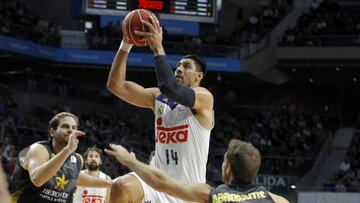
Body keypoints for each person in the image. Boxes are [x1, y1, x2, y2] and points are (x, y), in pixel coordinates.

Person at [106, 15, 214, 203]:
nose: (179, 69)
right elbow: (116, 85)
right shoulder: (157, 97)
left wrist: (157, 46)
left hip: (187, 191)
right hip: (155, 182)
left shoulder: (204, 98)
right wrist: (126, 43)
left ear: (198, 76)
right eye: (178, 65)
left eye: (186, 67)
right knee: (120, 186)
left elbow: (170, 88)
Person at [105, 139, 290, 203]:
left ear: (229, 170)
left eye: (224, 162)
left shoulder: (213, 194)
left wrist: (130, 160)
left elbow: (160, 182)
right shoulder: (277, 199)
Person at [9, 112, 112, 203]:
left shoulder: (77, 159)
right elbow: (37, 179)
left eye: (74, 128)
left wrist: (110, 184)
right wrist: (67, 150)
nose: (70, 130)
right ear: (52, 132)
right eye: (65, 126)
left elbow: (75, 177)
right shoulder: (39, 149)